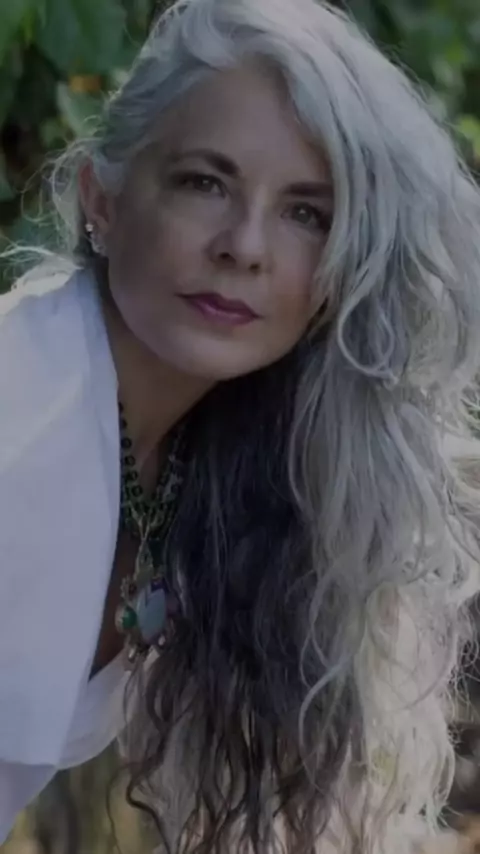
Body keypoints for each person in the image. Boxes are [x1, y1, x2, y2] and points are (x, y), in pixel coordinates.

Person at [1, 0, 480, 850]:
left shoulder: (208, 455)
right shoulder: (23, 415)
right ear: (101, 200)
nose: (246, 246)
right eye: (205, 182)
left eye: (306, 213)